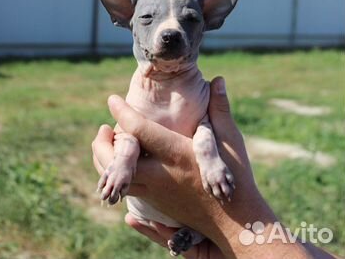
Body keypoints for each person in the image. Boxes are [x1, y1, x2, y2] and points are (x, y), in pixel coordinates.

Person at [92, 77, 339, 259]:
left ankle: (196, 232)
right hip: (156, 219)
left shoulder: (194, 89)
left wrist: (229, 224)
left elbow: (203, 128)